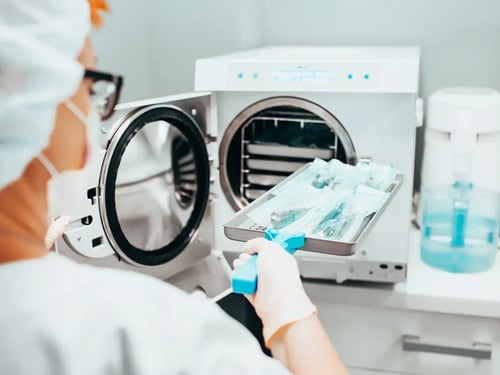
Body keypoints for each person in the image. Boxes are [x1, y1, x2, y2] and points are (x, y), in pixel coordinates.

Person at [0, 1, 349, 374]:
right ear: (31, 99)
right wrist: (290, 314)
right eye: (91, 87)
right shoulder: (141, 331)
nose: (94, 108)